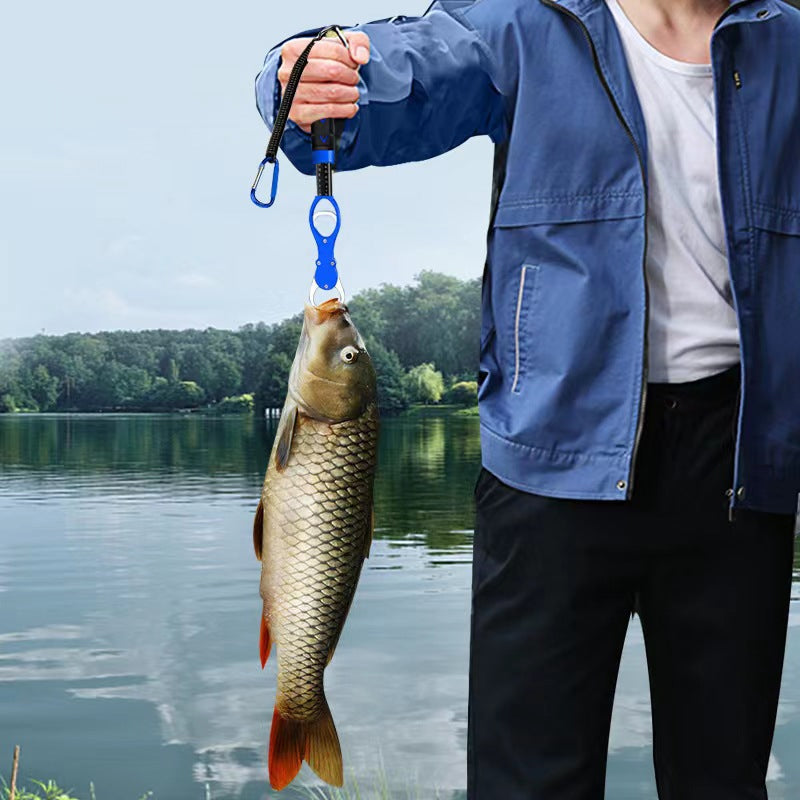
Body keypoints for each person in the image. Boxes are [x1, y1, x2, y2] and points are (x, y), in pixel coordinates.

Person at [254, 0, 800, 797]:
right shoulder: (523, 21)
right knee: (526, 782)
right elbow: (403, 72)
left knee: (724, 778)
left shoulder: (786, 39)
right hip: (551, 453)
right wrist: (308, 79)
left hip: (742, 463)